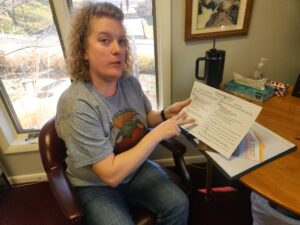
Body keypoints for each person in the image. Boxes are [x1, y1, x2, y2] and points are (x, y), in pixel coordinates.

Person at [55, 2, 195, 225]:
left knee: (179, 204)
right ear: (83, 50)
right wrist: (157, 134)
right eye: (105, 40)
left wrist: (165, 115)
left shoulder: (129, 83)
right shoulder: (75, 105)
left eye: (121, 41)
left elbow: (145, 117)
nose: (117, 49)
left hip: (134, 169)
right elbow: (110, 175)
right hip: (95, 184)